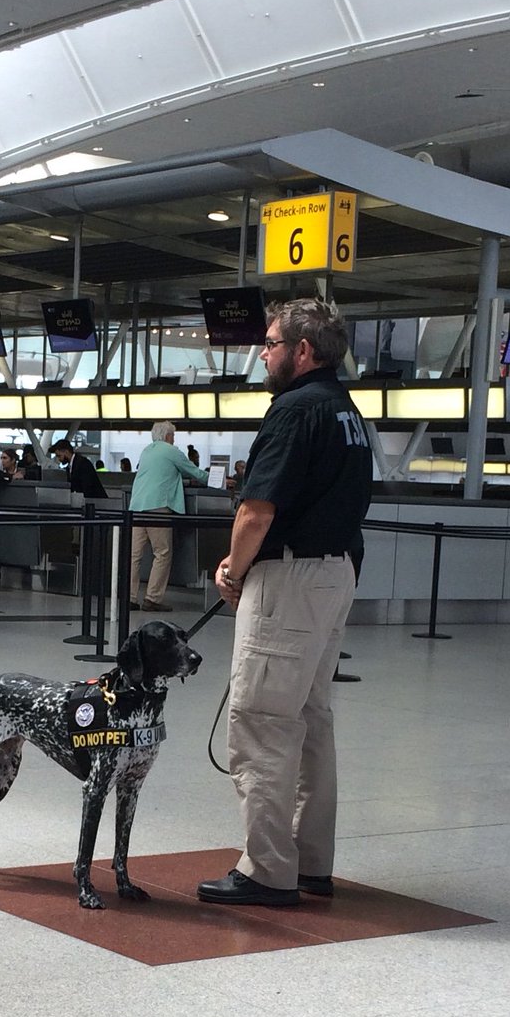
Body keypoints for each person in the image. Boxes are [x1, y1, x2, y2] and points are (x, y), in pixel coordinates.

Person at [197, 299, 373, 907]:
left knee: (263, 720)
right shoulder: (347, 411)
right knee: (311, 717)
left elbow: (257, 510)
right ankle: (311, 861)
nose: (263, 355)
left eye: (271, 344)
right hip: (335, 574)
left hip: (290, 578)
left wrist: (233, 569)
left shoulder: (294, 409)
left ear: (303, 350)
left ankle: (269, 871)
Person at [127, 421, 207, 611]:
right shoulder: (172, 451)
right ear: (168, 436)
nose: (174, 439)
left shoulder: (146, 451)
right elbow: (194, 471)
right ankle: (152, 598)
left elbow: (161, 473)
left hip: (137, 506)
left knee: (134, 555)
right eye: (173, 436)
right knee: (162, 553)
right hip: (158, 506)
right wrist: (220, 481)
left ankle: (129, 597)